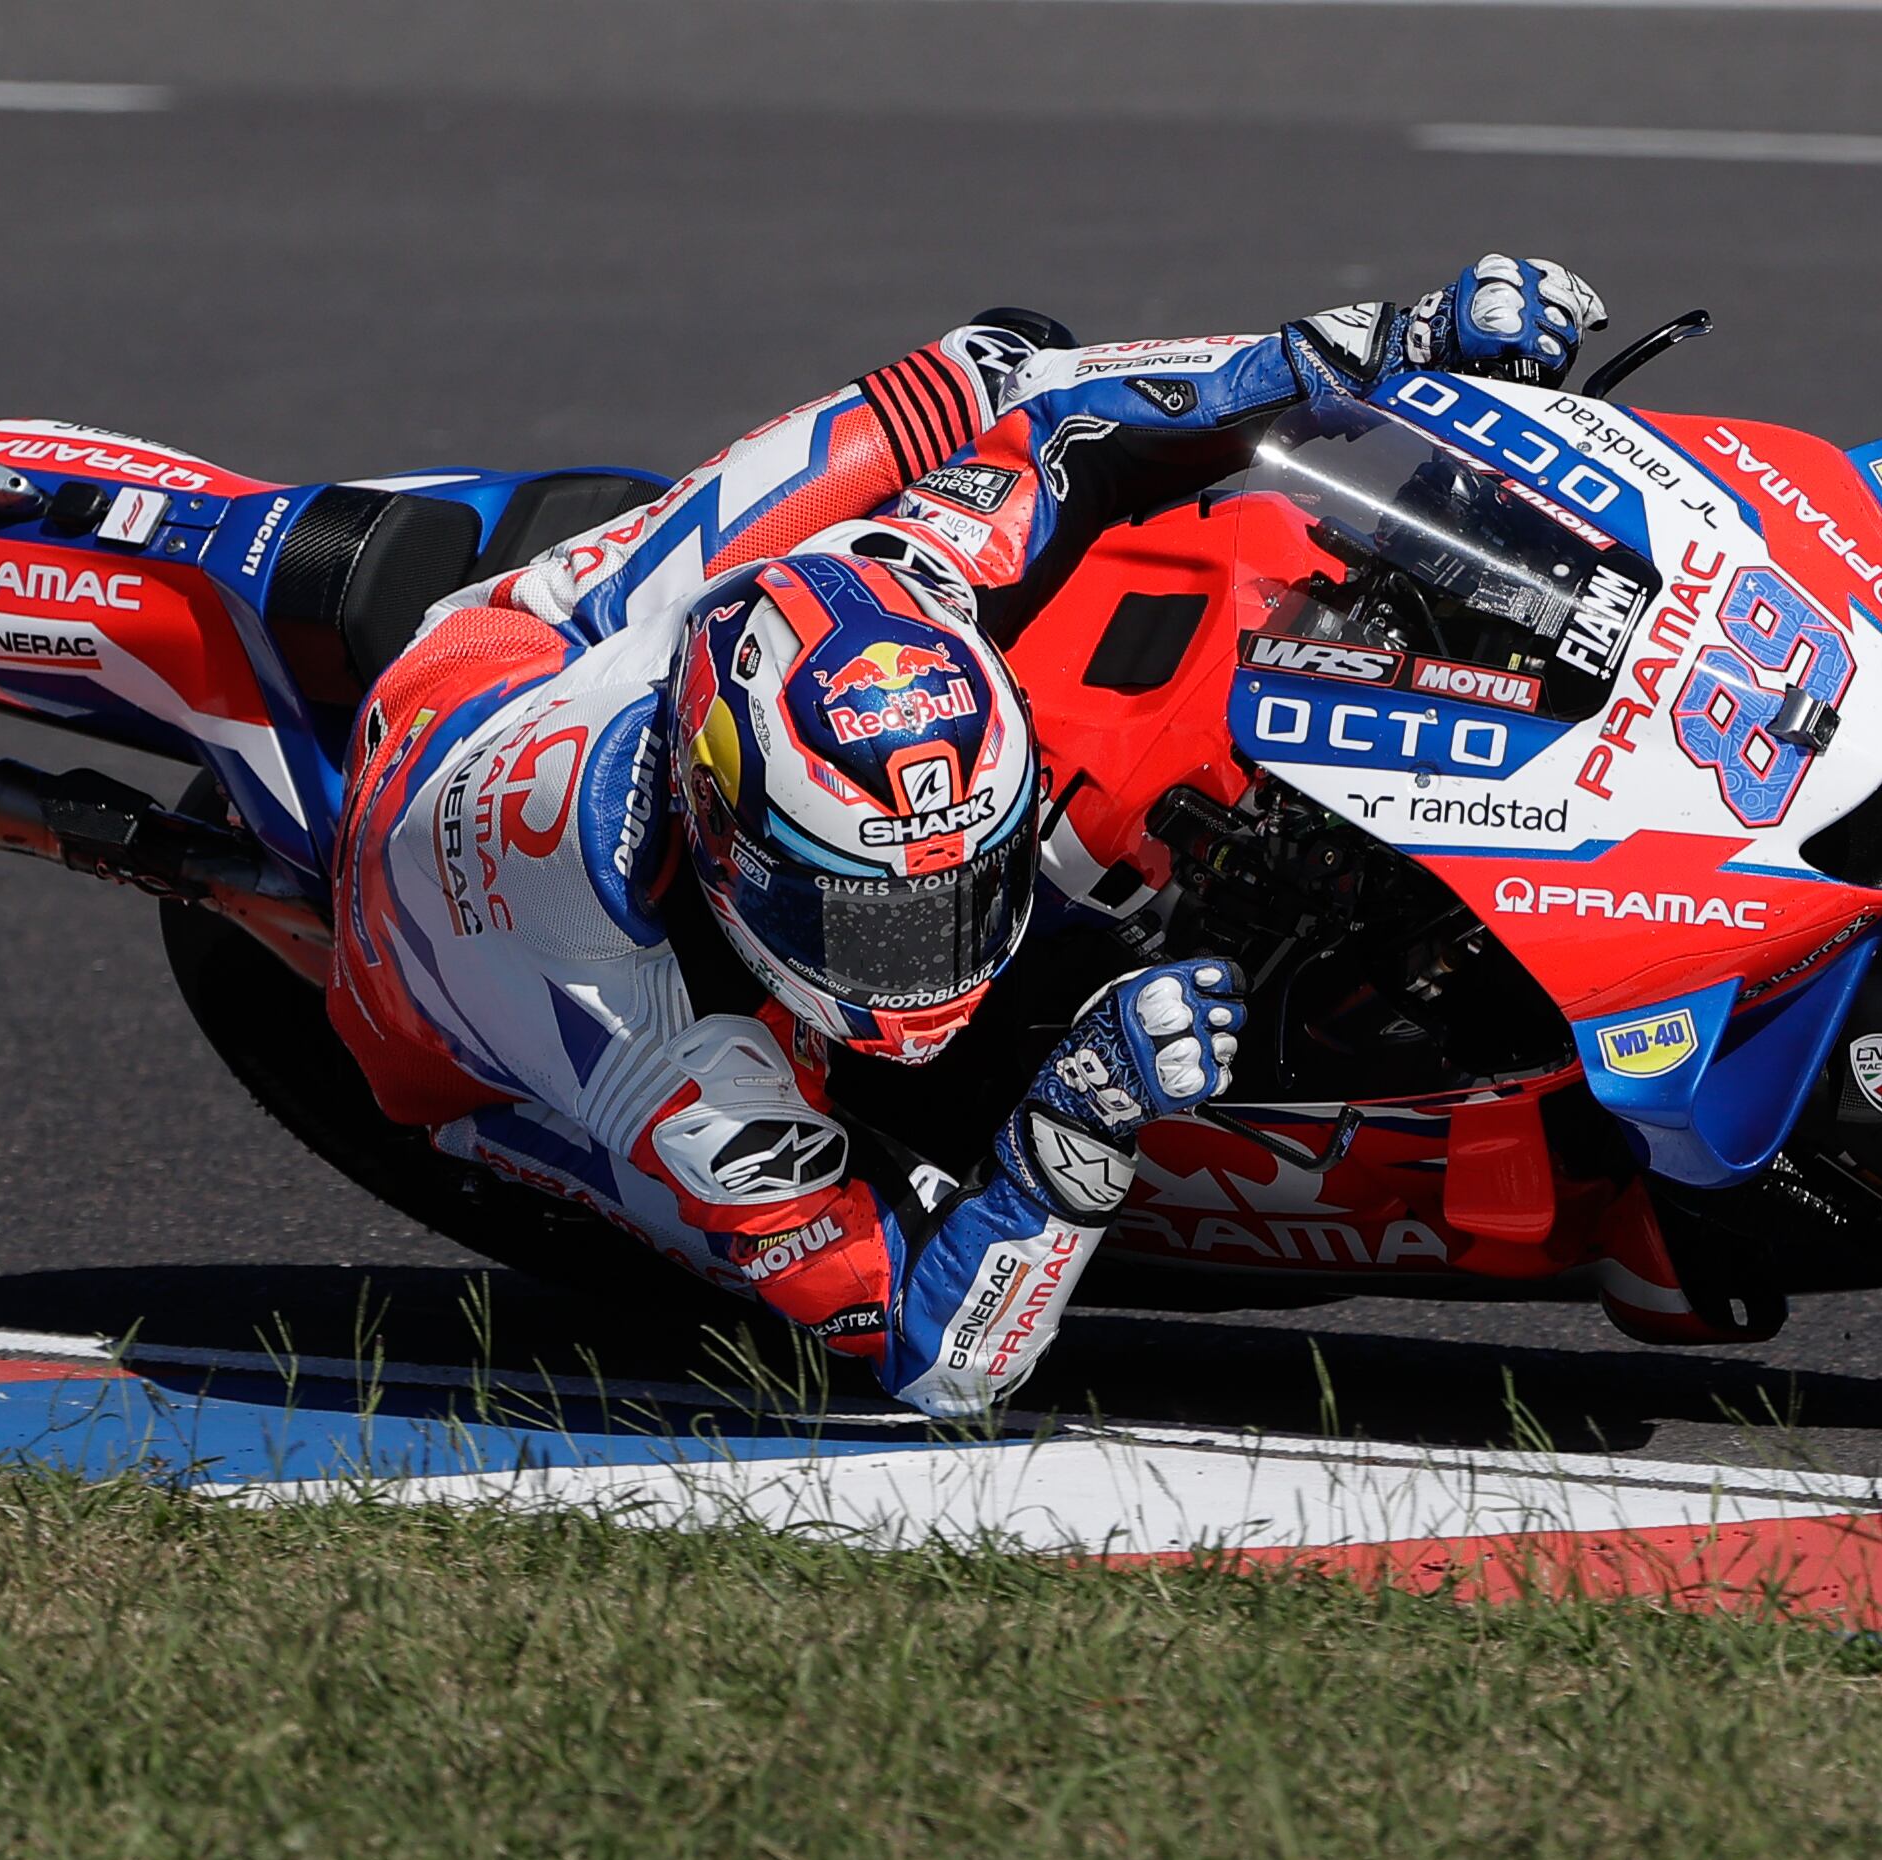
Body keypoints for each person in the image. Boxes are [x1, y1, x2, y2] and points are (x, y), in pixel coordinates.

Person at [327, 257, 1610, 1415]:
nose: (933, 959)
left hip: (601, 659)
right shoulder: (667, 1058)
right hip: (444, 915)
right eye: (873, 921)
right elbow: (938, 1362)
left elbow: (1068, 423)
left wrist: (1391, 341)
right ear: (733, 849)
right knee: (836, 1168)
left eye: (964, 884)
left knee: (1004, 362)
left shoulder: (912, 571)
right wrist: (1079, 1128)